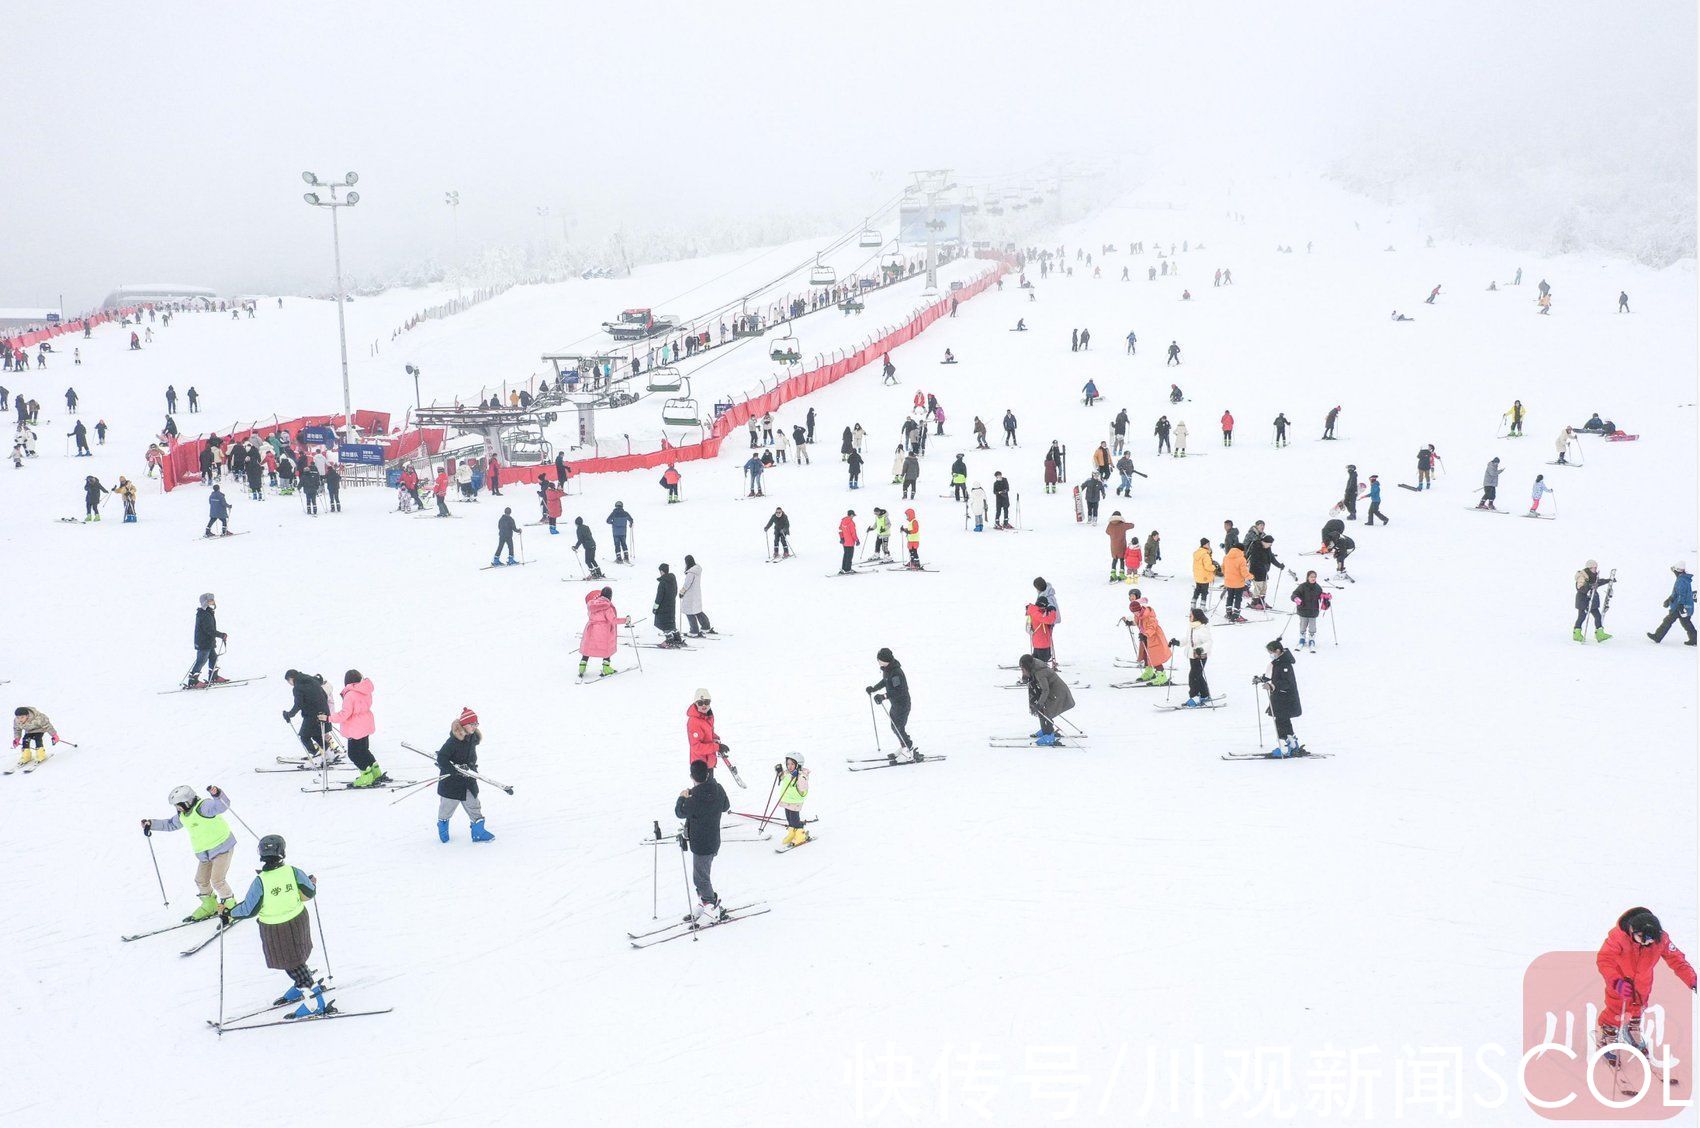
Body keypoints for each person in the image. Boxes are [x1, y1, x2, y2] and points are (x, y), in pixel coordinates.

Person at [219, 834, 327, 1019]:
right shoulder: (293, 872)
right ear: (282, 852)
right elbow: (309, 891)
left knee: (291, 962)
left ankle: (315, 1001)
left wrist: (228, 913)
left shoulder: (261, 881)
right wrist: (312, 883)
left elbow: (249, 909)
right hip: (298, 921)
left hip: (276, 930)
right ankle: (300, 985)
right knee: (297, 956)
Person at [1594, 908, 1696, 1067]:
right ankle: (1608, 1032)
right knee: (1616, 1007)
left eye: (1650, 939)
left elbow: (1677, 960)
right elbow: (1604, 959)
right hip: (1620, 980)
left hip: (1643, 980)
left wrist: (1692, 979)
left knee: (1640, 1004)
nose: (1646, 942)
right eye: (1642, 937)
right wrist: (1615, 981)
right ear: (1632, 930)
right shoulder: (1618, 937)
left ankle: (1632, 1028)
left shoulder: (1661, 939)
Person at [143, 785, 238, 920]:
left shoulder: (203, 807)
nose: (177, 808)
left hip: (222, 848)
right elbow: (171, 824)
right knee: (201, 880)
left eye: (179, 805)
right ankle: (210, 905)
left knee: (217, 880)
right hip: (205, 854)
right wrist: (151, 824)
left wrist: (217, 795)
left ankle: (231, 907)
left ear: (187, 801)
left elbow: (222, 806)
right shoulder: (183, 815)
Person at [676, 759, 731, 924]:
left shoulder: (695, 797)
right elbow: (725, 806)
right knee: (699, 875)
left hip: (701, 843)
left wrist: (681, 797)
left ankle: (712, 905)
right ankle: (704, 902)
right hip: (713, 840)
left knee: (701, 878)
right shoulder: (717, 788)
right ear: (707, 774)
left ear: (692, 776)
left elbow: (680, 812)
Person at [436, 707, 494, 842]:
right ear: (463, 725)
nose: (474, 727)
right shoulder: (453, 741)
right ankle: (443, 826)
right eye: (472, 724)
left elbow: (471, 759)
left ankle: (478, 833)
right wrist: (452, 769)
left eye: (476, 724)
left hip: (468, 780)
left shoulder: (472, 739)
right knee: (447, 807)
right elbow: (442, 758)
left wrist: (472, 769)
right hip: (451, 782)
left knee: (474, 805)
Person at [321, 670, 386, 788]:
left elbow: (345, 714)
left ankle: (366, 776)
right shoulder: (365, 690)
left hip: (355, 728)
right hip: (365, 724)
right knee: (364, 750)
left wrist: (328, 718)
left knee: (354, 754)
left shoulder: (350, 694)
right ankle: (376, 772)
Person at [1256, 640, 1306, 756]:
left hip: (1285, 698)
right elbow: (1273, 676)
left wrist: (1271, 686)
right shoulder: (1278, 662)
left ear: (1278, 651)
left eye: (1271, 652)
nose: (1270, 654)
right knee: (1284, 720)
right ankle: (1293, 745)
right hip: (1281, 697)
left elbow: (1286, 683)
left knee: (1280, 721)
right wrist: (1262, 679)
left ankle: (1284, 748)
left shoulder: (1284, 664)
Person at [865, 648, 917, 759]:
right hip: (895, 704)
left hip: (902, 704)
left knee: (898, 727)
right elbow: (885, 681)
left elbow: (898, 691)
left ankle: (908, 747)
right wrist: (874, 689)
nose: (878, 661)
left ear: (885, 660)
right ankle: (906, 745)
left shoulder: (896, 672)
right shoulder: (887, 670)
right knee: (895, 727)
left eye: (879, 659)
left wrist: (884, 696)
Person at [1018, 653, 1075, 746]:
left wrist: (1040, 703)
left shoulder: (1040, 672)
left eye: (1023, 668)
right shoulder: (1034, 666)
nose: (1022, 669)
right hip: (1052, 691)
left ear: (1028, 666)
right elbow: (1030, 675)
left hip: (1058, 693)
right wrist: (1025, 677)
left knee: (1045, 709)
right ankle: (1045, 730)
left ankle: (1049, 735)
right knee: (1042, 707)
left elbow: (1045, 689)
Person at [282, 670, 332, 762]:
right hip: (324, 711)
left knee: (304, 737)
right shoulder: (312, 680)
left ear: (291, 678)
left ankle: (317, 757)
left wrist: (289, 714)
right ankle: (329, 755)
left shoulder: (298, 687)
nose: (290, 684)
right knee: (316, 735)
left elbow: (298, 704)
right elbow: (324, 695)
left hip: (312, 714)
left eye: (288, 681)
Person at [578, 587, 628, 677]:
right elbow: (613, 620)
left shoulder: (591, 604)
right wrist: (626, 620)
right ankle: (606, 668)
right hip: (603, 631)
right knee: (606, 649)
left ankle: (582, 666)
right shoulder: (607, 607)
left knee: (588, 648)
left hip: (591, 629)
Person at [187, 592, 228, 688]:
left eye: (212, 599)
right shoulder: (204, 614)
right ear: (205, 602)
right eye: (210, 600)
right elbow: (209, 630)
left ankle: (213, 677)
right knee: (201, 660)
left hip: (208, 642)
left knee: (213, 658)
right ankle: (193, 681)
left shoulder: (208, 612)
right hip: (203, 643)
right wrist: (221, 635)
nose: (213, 601)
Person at [773, 756, 811, 848]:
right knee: (789, 819)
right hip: (787, 800)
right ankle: (792, 833)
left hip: (795, 801)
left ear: (798, 765)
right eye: (788, 764)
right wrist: (779, 772)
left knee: (795, 820)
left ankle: (800, 835)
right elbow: (782, 777)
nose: (789, 766)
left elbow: (803, 788)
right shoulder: (787, 773)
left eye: (792, 764)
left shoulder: (801, 775)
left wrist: (799, 776)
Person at [1574, 560, 1614, 642]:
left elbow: (1597, 583)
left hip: (1592, 599)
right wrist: (1590, 586)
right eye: (1594, 567)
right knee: (1582, 617)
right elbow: (1580, 587)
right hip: (1583, 599)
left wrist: (1608, 580)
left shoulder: (1593, 575)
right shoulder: (1582, 576)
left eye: (1596, 567)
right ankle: (1576, 634)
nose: (1595, 569)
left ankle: (1599, 633)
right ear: (1589, 567)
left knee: (1597, 616)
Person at [1182, 609, 1213, 706]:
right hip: (1192, 656)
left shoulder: (1202, 628)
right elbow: (1187, 639)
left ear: (1196, 617)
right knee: (1198, 676)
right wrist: (1177, 642)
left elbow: (1209, 642)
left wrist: (1201, 649)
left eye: (1191, 615)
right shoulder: (1192, 627)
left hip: (1200, 656)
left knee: (1193, 677)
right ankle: (1204, 694)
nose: (1189, 617)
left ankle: (1194, 697)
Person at [1291, 571, 1328, 651]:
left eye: (1314, 577)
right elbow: (1294, 594)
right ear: (1308, 577)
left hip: (1313, 611)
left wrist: (1325, 597)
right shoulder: (1302, 586)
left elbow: (1321, 597)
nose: (1313, 578)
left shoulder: (1318, 587)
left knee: (1312, 626)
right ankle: (1302, 639)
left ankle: (1311, 640)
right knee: (1303, 625)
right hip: (1303, 610)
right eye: (1311, 577)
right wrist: (1295, 598)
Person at [680, 555, 713, 637]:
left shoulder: (691, 573)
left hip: (690, 596)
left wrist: (681, 592)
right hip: (696, 594)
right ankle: (706, 626)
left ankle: (694, 631)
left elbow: (687, 584)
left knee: (689, 612)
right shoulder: (697, 570)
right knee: (698, 611)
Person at [652, 563, 683, 647]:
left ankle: (669, 639)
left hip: (663, 606)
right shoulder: (673, 580)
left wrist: (655, 608)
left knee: (663, 623)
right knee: (671, 622)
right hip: (671, 604)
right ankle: (677, 638)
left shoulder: (663, 583)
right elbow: (675, 592)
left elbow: (659, 597)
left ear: (662, 571)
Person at [1221, 542, 1250, 621]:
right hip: (1238, 583)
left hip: (1229, 582)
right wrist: (1250, 576)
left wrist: (1227, 575)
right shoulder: (1242, 559)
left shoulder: (1226, 557)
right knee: (1238, 598)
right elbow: (1244, 572)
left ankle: (1228, 613)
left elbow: (1223, 568)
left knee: (1230, 597)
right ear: (1242, 550)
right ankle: (1236, 614)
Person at [1106, 512, 1133, 582]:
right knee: (1122, 559)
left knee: (1114, 559)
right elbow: (1132, 525)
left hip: (1113, 546)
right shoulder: (1122, 525)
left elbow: (1107, 532)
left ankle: (1113, 574)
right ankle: (1121, 574)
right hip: (1121, 545)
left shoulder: (1110, 525)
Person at [1191, 538, 1217, 610]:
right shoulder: (1205, 555)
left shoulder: (1197, 553)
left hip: (1198, 576)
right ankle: (1203, 606)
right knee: (1204, 592)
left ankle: (1193, 604)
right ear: (1204, 544)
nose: (1209, 545)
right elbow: (1208, 566)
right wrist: (1214, 567)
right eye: (1208, 544)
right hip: (1205, 576)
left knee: (1197, 590)